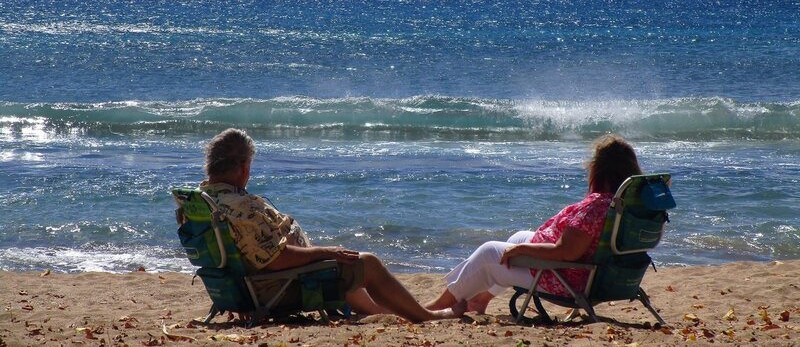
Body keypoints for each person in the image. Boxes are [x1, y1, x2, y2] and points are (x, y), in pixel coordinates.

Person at [198, 128, 456, 322]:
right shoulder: (240, 207)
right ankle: (427, 317)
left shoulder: (204, 199)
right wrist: (326, 252)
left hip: (251, 285)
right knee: (367, 264)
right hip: (279, 285)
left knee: (343, 265)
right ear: (244, 168)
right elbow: (276, 259)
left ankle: (402, 311)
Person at [425, 134, 643, 316]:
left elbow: (565, 252)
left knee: (489, 252)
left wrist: (522, 250)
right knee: (516, 237)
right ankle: (478, 301)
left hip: (567, 279)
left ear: (599, 169)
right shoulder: (626, 205)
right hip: (592, 274)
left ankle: (438, 306)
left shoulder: (597, 207)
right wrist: (521, 244)